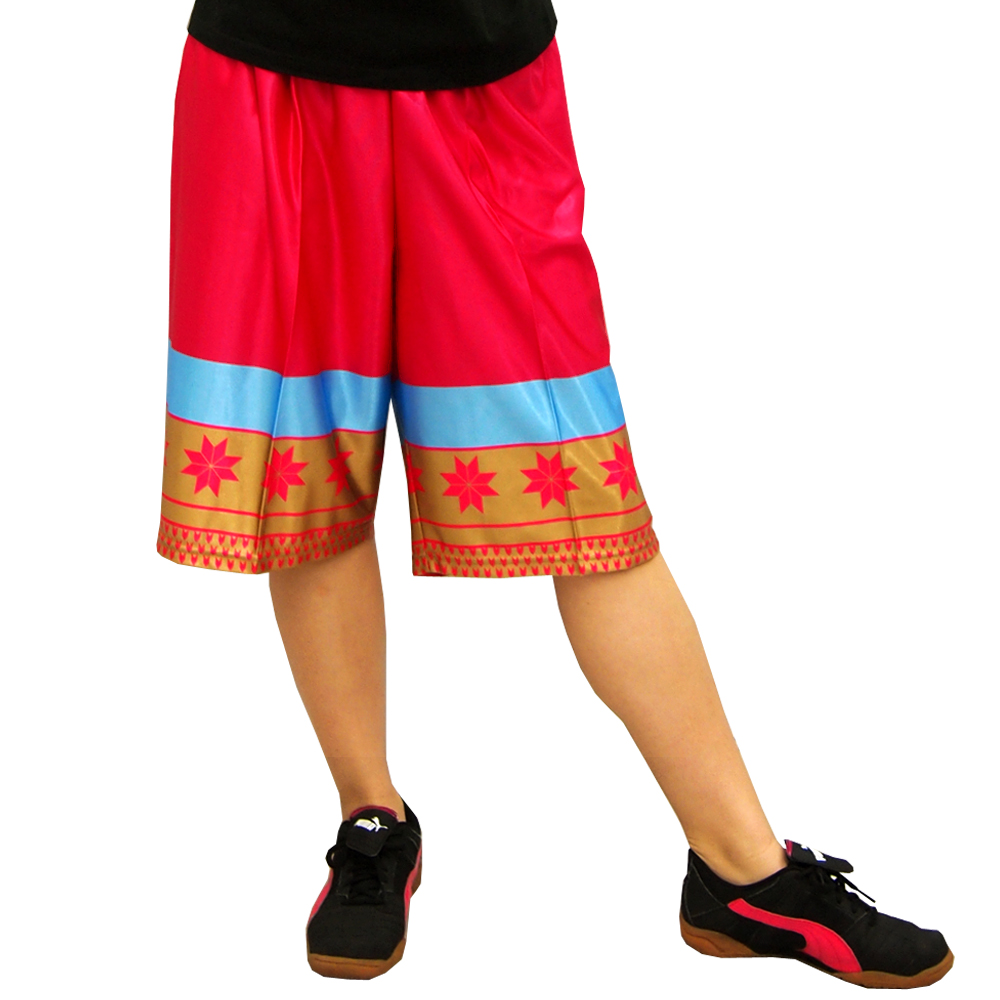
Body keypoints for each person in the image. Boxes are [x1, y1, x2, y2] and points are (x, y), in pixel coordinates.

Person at [158, 1, 952, 988]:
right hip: (269, 72)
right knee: (307, 472)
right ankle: (372, 819)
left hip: (482, 76)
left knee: (589, 498)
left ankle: (743, 872)